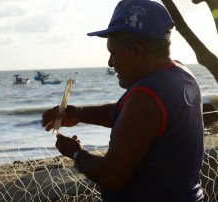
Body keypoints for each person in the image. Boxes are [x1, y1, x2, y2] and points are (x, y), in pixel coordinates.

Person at [42, 0, 204, 201]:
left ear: (136, 52)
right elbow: (134, 119)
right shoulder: (181, 74)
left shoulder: (145, 98)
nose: (110, 63)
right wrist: (81, 114)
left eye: (113, 53)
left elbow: (111, 176)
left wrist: (75, 154)